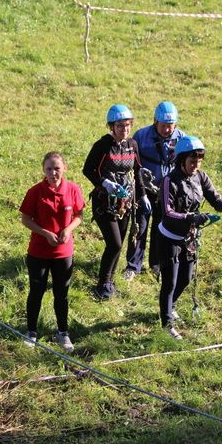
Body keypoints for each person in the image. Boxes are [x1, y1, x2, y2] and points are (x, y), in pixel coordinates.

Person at [158, 135, 222, 339]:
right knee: (170, 282)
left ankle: (170, 306)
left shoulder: (201, 177)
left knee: (185, 278)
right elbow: (168, 212)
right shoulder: (170, 181)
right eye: (192, 161)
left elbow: (214, 197)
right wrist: (192, 217)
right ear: (181, 160)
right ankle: (166, 324)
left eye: (199, 161)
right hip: (170, 238)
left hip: (189, 238)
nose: (196, 165)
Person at [20, 151, 85, 352]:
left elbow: (79, 214)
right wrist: (45, 233)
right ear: (43, 170)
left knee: (61, 293)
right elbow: (25, 218)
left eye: (57, 168)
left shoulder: (73, 189)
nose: (53, 173)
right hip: (39, 251)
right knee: (36, 291)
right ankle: (31, 332)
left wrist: (68, 229)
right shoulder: (35, 192)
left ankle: (63, 332)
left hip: (63, 253)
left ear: (64, 168)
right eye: (49, 168)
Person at [82, 104, 148, 299]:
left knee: (117, 243)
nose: (125, 129)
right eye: (120, 126)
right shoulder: (102, 145)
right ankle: (102, 283)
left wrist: (142, 194)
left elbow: (136, 171)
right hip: (105, 202)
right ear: (111, 126)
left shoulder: (132, 145)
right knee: (115, 244)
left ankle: (109, 282)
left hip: (125, 202)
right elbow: (88, 169)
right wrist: (104, 183)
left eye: (127, 125)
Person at [124, 101, 186, 281]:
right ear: (155, 121)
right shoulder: (141, 136)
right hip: (144, 189)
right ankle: (133, 265)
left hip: (167, 192)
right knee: (140, 227)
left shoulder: (181, 139)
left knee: (160, 228)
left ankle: (156, 264)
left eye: (170, 126)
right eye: (164, 126)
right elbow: (133, 164)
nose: (167, 130)